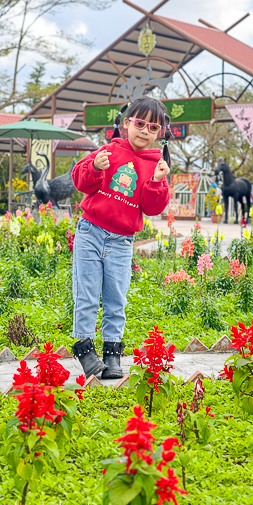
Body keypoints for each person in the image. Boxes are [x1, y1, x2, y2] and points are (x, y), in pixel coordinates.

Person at [70, 96, 172, 379]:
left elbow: (152, 208)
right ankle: (84, 348)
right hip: (91, 232)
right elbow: (80, 182)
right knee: (87, 294)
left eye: (153, 127)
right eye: (140, 123)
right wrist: (95, 168)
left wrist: (156, 181)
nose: (145, 131)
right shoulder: (108, 151)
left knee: (117, 299)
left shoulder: (156, 165)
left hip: (121, 241)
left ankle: (112, 354)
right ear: (126, 123)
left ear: (159, 134)